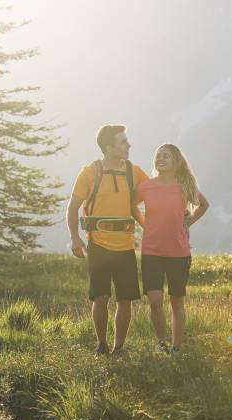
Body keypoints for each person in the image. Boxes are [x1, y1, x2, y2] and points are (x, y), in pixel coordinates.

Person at [66, 125, 149, 354]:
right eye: (123, 142)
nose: (129, 145)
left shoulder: (134, 172)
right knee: (100, 298)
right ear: (109, 148)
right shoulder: (90, 172)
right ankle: (101, 344)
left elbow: (156, 192)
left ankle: (119, 347)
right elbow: (72, 208)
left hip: (125, 247)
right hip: (98, 245)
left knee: (125, 300)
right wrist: (75, 238)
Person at [134, 144, 209, 354]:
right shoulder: (146, 187)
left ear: (176, 162)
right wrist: (143, 224)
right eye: (158, 156)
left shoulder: (184, 186)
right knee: (155, 300)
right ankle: (161, 343)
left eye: (166, 156)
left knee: (177, 301)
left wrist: (189, 222)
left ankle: (176, 347)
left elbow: (204, 204)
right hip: (151, 252)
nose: (161, 159)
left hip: (179, 252)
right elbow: (133, 205)